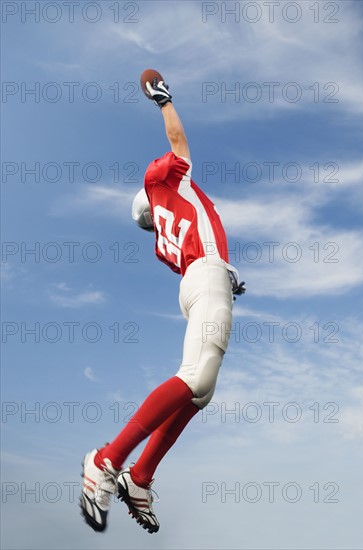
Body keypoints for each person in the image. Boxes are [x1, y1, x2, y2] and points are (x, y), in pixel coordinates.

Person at [80, 77, 245, 534]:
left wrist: (224, 275)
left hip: (197, 283)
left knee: (201, 391)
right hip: (206, 277)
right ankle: (107, 460)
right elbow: (177, 142)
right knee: (196, 377)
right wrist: (164, 99)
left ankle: (141, 478)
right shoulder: (165, 180)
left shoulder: (161, 237)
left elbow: (193, 252)